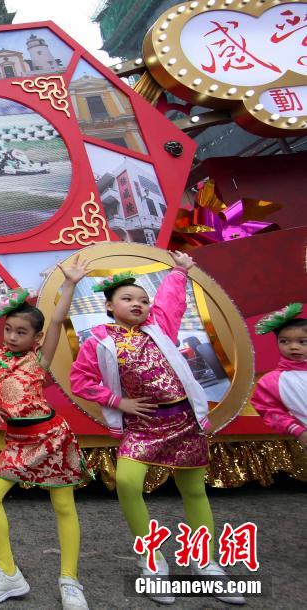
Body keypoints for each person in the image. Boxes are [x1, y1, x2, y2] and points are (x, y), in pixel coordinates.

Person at [69, 251, 244, 605]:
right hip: (143, 426)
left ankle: (205, 562)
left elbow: (170, 300)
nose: (139, 304)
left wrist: (180, 271)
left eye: (143, 299)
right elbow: (80, 380)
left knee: (194, 490)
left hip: (183, 421)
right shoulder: (98, 341)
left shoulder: (160, 327)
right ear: (108, 307)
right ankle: (152, 560)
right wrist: (119, 403)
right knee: (129, 483)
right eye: (128, 298)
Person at [0, 258, 90, 610]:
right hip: (17, 442)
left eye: (20, 332)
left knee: (63, 505)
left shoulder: (38, 359)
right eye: (8, 329)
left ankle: (70, 580)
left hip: (52, 438)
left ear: (35, 338)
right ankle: (8, 572)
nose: (11, 337)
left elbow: (55, 319)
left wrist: (68, 284)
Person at [250, 303, 307, 450]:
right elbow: (267, 408)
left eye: (302, 342)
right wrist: (297, 430)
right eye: (284, 341)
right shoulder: (271, 382)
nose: (293, 347)